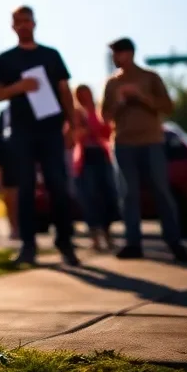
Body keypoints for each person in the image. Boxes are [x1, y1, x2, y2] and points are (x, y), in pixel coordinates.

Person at [0, 6, 79, 266]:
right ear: (12, 26)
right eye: (18, 21)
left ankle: (65, 242)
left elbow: (65, 90)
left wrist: (71, 125)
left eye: (26, 21)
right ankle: (28, 246)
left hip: (51, 129)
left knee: (58, 186)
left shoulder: (51, 55)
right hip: (22, 132)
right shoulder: (6, 59)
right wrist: (19, 87)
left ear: (34, 23)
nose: (23, 25)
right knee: (25, 189)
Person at [101, 37, 187, 262]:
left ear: (129, 53)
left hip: (151, 142)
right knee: (128, 194)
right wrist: (120, 102)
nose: (115, 58)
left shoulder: (150, 78)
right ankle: (133, 243)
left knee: (161, 189)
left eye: (117, 53)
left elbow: (168, 107)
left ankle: (174, 241)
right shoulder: (111, 83)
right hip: (123, 143)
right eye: (113, 54)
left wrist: (142, 97)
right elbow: (105, 117)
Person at [72, 84, 117, 252]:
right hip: (85, 158)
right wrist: (86, 130)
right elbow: (73, 135)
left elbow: (108, 131)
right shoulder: (76, 113)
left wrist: (95, 129)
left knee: (107, 195)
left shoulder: (99, 110)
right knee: (90, 198)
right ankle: (95, 238)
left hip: (102, 156)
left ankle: (107, 234)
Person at [0, 109, 19, 241]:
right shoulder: (4, 114)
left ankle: (23, 227)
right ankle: (14, 228)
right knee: (9, 195)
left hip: (26, 159)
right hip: (7, 160)